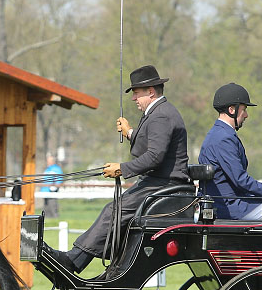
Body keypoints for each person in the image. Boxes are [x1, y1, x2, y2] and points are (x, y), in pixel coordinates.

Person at [44, 65, 189, 273]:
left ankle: (73, 261)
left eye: (137, 93)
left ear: (150, 91)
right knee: (114, 210)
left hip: (163, 185)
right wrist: (130, 132)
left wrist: (121, 168)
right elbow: (152, 147)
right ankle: (93, 262)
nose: (134, 99)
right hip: (157, 183)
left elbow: (154, 157)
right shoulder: (159, 112)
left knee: (114, 211)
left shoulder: (161, 115)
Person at [198, 83, 262, 220]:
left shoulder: (217, 133)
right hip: (229, 207)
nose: (246, 115)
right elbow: (241, 181)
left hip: (224, 202)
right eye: (243, 109)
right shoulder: (223, 138)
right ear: (232, 109)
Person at [40, 153, 63, 218]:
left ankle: (55, 219)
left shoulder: (56, 169)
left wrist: (55, 187)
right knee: (46, 208)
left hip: (51, 191)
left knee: (52, 207)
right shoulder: (47, 169)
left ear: (52, 161)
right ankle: (46, 220)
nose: (47, 162)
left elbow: (59, 180)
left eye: (48, 161)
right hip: (45, 191)